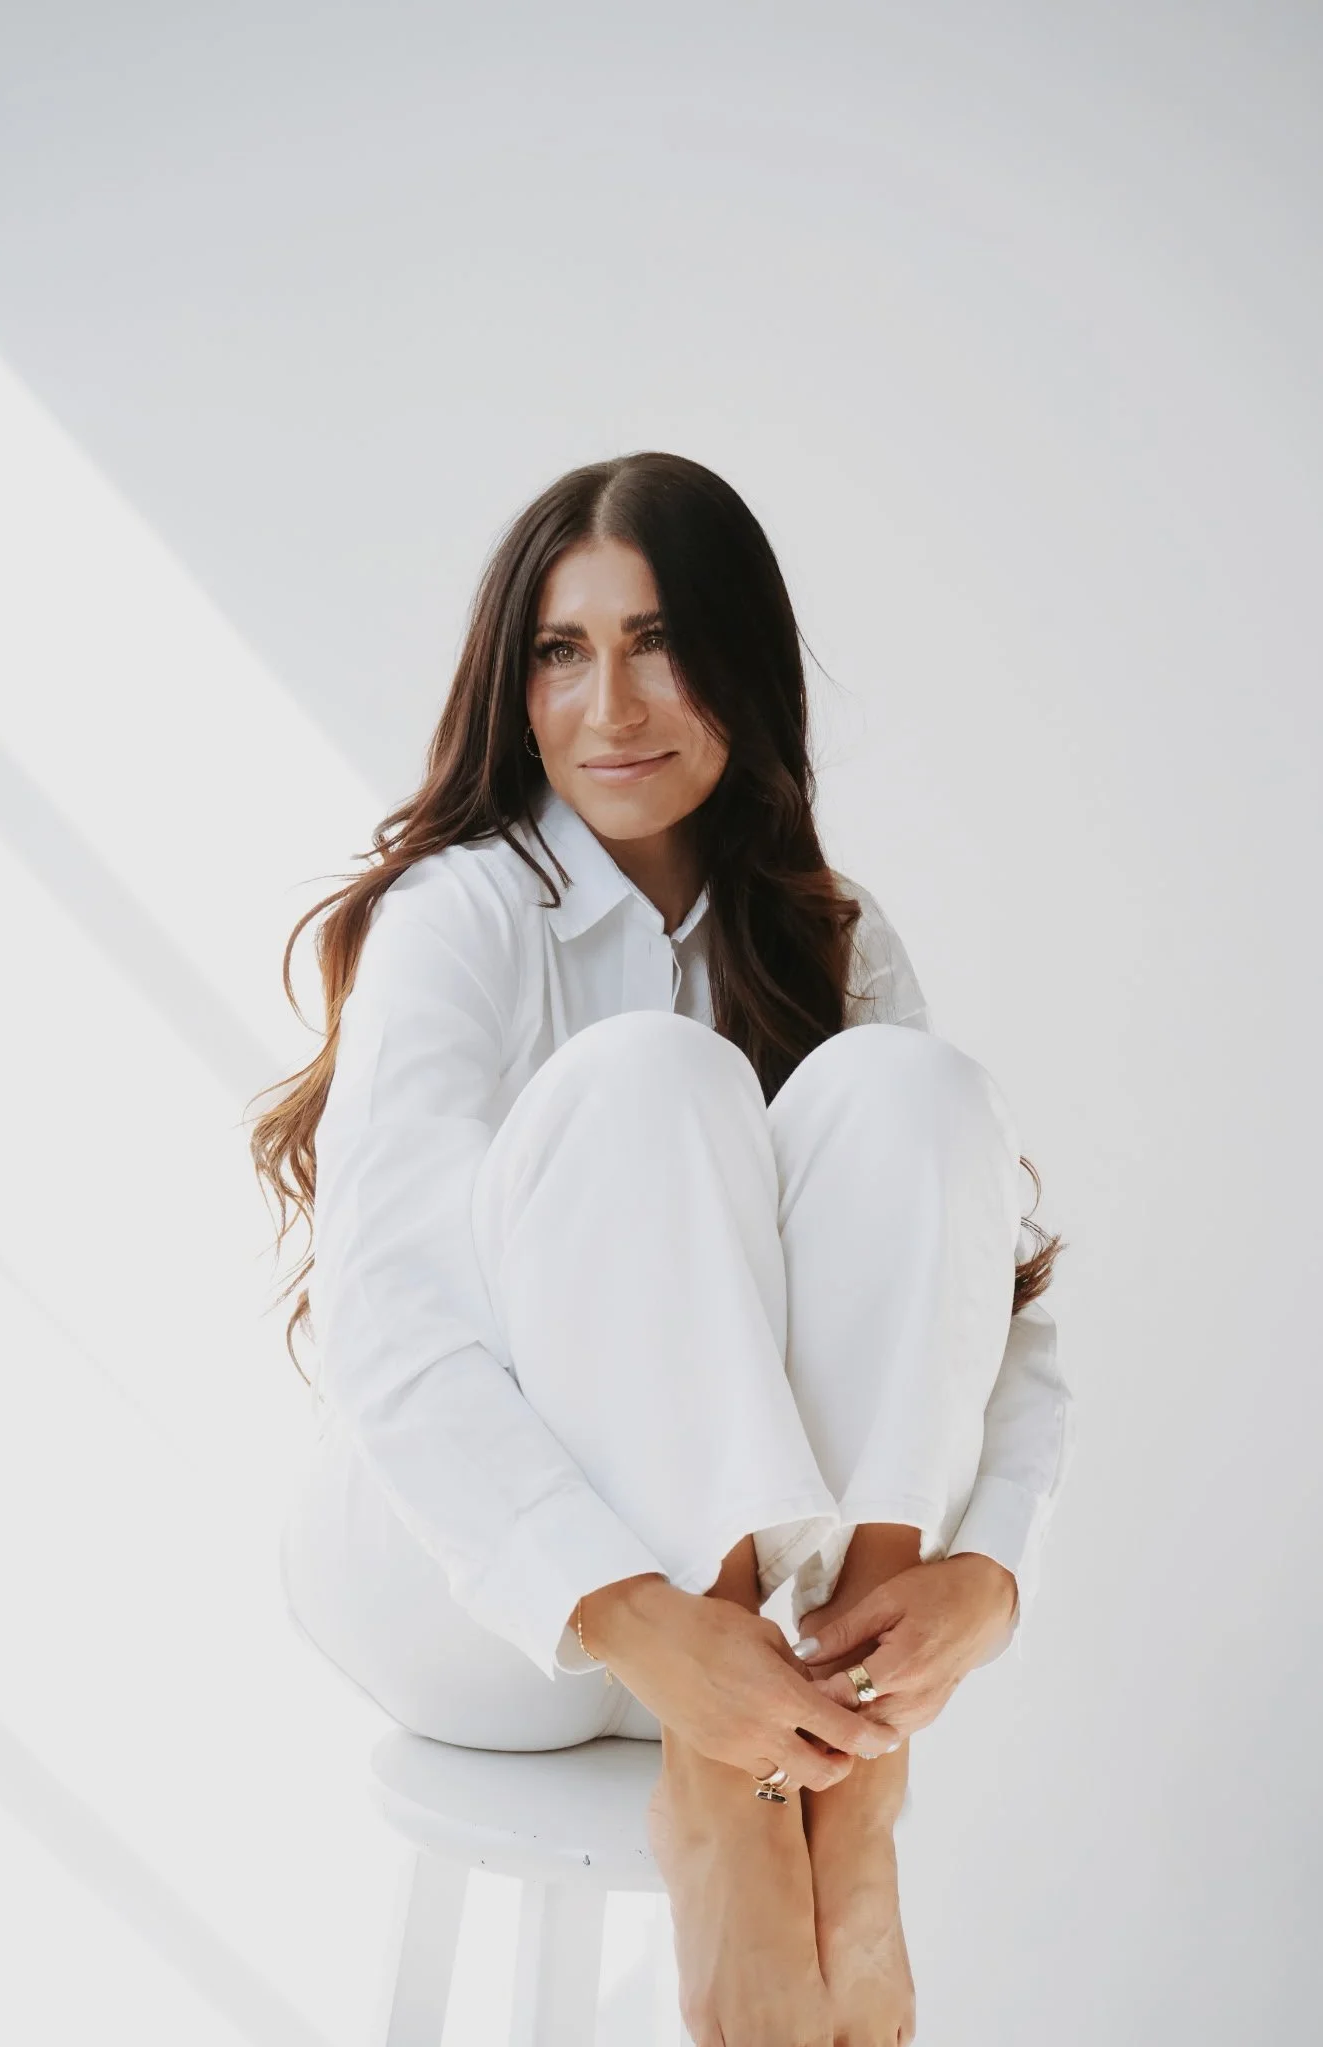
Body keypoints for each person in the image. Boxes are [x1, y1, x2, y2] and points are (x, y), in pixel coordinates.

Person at [247, 450, 1074, 2047]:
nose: (610, 702)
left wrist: (993, 1569)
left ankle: (851, 1786)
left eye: (662, 640)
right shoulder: (464, 912)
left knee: (917, 1092)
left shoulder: (830, 929)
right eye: (564, 649)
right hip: (480, 1591)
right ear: (516, 677)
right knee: (649, 1077)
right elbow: (393, 1326)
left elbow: (995, 1286)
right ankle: (733, 1805)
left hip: (783, 1634)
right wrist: (638, 1618)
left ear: (745, 666)